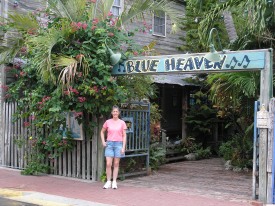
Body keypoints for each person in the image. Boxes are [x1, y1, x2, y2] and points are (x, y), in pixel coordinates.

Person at [100, 105, 127, 189]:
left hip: (119, 144)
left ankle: (114, 181)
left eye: (116, 111)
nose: (115, 113)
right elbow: (102, 132)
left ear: (118, 113)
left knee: (116, 163)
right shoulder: (108, 122)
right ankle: (108, 181)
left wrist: (123, 147)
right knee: (108, 164)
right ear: (111, 113)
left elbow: (124, 136)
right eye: (114, 111)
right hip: (110, 144)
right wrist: (103, 141)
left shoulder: (122, 123)